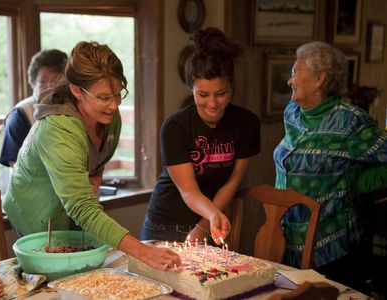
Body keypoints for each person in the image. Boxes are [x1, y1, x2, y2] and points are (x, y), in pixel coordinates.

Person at [3, 41, 181, 271]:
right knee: (57, 279)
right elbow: (82, 207)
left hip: (73, 206)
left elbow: (98, 156)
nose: (114, 105)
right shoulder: (57, 129)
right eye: (104, 97)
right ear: (76, 90)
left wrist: (96, 173)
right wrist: (144, 251)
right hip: (36, 210)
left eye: (118, 94)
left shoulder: (108, 117)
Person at [273, 41, 387, 289]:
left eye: (295, 73)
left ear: (319, 79)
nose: (290, 81)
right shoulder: (292, 112)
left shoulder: (350, 121)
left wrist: (356, 181)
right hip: (284, 240)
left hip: (328, 247)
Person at [140, 27, 261, 244]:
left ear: (231, 87)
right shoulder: (175, 127)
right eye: (203, 95)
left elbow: (232, 182)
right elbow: (189, 191)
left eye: (221, 94)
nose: (213, 103)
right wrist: (212, 215)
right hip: (164, 225)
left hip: (209, 224)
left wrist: (204, 225)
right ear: (191, 89)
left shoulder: (247, 124)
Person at [0, 49, 68, 167]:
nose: (50, 86)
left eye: (56, 80)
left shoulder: (70, 109)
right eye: (43, 81)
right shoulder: (20, 114)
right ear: (32, 81)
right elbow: (15, 165)